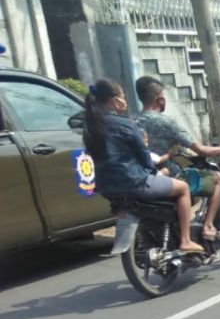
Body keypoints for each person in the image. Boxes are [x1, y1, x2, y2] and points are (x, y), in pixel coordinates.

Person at [82, 79, 205, 254]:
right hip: (134, 182)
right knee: (183, 188)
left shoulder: (91, 127)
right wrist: (157, 169)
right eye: (123, 97)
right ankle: (186, 240)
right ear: (116, 101)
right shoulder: (126, 124)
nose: (125, 101)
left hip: (106, 187)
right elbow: (145, 159)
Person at [135, 76, 220, 241]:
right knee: (217, 179)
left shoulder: (132, 122)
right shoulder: (166, 123)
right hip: (171, 176)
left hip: (144, 177)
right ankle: (208, 226)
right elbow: (201, 150)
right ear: (160, 99)